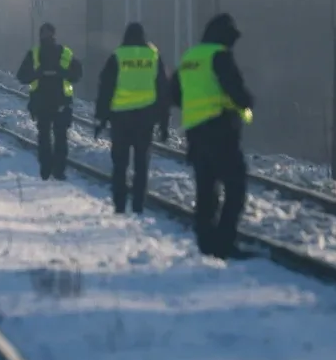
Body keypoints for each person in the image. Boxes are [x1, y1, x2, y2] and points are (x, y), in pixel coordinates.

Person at [170, 13, 254, 259]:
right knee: (235, 187)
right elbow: (234, 88)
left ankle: (206, 243)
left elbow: (174, 93)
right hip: (221, 130)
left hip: (195, 132)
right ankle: (224, 243)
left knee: (206, 190)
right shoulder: (220, 56)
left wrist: (194, 107)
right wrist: (246, 103)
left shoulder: (189, 58)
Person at [94, 22, 170, 214]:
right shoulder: (153, 56)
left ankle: (119, 204)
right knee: (141, 164)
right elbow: (163, 90)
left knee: (120, 164)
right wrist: (164, 122)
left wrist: (100, 118)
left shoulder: (118, 56)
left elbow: (106, 88)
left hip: (121, 118)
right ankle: (138, 205)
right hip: (145, 118)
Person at [16, 23, 83, 181]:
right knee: (60, 137)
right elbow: (78, 75)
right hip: (62, 102)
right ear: (55, 35)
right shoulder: (66, 53)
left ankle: (46, 169)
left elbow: (22, 76)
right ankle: (58, 170)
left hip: (41, 102)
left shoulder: (34, 53)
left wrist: (37, 74)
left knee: (44, 136)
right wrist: (63, 73)